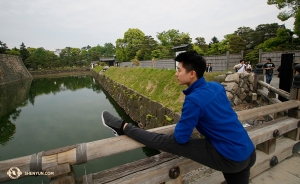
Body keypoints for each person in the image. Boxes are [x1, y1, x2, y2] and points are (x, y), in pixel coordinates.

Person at [101, 51, 256, 184]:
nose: (176, 73)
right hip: (248, 151)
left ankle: (123, 127)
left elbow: (181, 138)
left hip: (229, 157)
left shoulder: (194, 99)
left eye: (179, 70)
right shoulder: (216, 87)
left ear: (192, 73)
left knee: (168, 141)